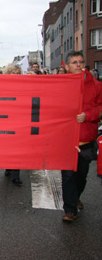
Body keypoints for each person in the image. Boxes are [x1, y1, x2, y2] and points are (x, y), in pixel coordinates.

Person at [61, 51, 102, 222]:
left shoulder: (96, 85)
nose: (78, 64)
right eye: (74, 62)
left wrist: (87, 115)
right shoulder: (60, 84)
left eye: (80, 61)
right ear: (67, 66)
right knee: (68, 175)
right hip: (66, 139)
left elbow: (100, 108)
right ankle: (70, 209)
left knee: (81, 175)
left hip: (86, 137)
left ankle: (76, 196)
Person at [3, 64, 23, 185]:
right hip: (5, 122)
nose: (15, 75)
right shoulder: (3, 87)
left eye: (17, 73)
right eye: (12, 73)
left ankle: (16, 175)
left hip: (19, 122)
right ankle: (8, 166)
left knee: (18, 148)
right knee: (7, 147)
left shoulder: (24, 87)